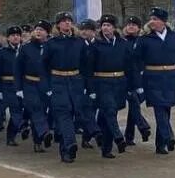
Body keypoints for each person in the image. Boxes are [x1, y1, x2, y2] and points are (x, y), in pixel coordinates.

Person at [132, 7, 175, 155]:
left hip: (170, 77)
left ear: (163, 21)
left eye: (155, 19)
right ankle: (169, 136)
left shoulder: (174, 37)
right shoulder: (144, 39)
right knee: (159, 108)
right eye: (151, 19)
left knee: (166, 108)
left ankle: (160, 144)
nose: (152, 21)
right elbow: (136, 61)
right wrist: (138, 81)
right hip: (152, 77)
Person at [45, 12, 93, 163]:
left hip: (75, 80)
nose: (67, 23)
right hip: (58, 80)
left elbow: (86, 65)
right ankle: (69, 145)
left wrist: (86, 85)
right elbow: (43, 66)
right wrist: (47, 86)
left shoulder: (79, 42)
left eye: (69, 21)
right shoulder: (51, 43)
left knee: (75, 112)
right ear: (58, 25)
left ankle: (68, 145)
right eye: (63, 21)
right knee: (64, 113)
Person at [88, 14, 131, 158]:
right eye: (103, 25)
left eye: (108, 25)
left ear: (114, 28)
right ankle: (119, 138)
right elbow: (89, 68)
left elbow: (130, 65)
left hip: (119, 83)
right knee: (110, 110)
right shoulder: (95, 45)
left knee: (107, 117)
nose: (105, 28)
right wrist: (91, 89)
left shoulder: (122, 44)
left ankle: (106, 148)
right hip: (102, 83)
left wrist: (132, 85)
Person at [15, 21, 54, 153]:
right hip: (29, 83)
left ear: (47, 33)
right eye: (37, 29)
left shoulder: (51, 47)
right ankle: (44, 132)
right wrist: (19, 88)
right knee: (36, 108)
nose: (38, 32)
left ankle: (38, 140)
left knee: (42, 110)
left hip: (46, 85)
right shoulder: (26, 48)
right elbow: (18, 69)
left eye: (42, 30)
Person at [121, 16, 152, 145]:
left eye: (134, 24)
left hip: (139, 78)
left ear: (139, 28)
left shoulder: (142, 41)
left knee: (134, 107)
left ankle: (129, 136)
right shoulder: (121, 41)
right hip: (124, 78)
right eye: (129, 24)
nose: (131, 26)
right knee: (134, 103)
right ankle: (143, 126)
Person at [0, 26, 24, 145]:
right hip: (7, 85)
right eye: (13, 35)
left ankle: (11, 136)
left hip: (22, 85)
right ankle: (21, 127)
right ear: (8, 38)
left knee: (19, 110)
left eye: (17, 35)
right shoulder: (1, 52)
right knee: (15, 108)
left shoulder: (24, 51)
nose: (15, 37)